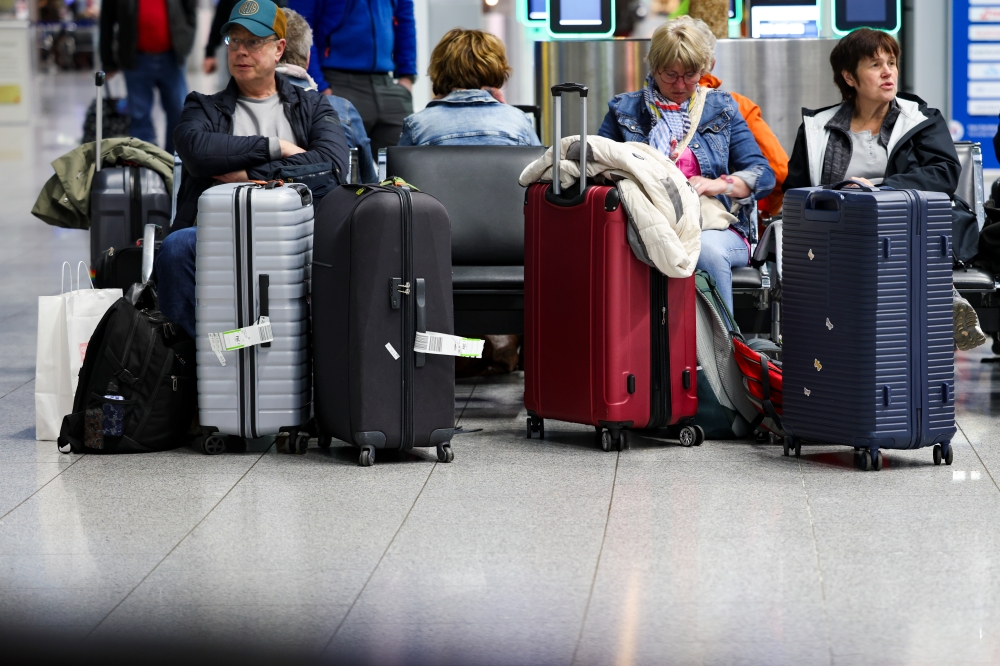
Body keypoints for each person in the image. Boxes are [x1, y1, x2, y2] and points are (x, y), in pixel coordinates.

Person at [156, 0, 349, 338]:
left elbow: (331, 166)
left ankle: (325, 361)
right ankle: (188, 364)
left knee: (349, 250)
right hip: (220, 233)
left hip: (298, 234)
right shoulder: (203, 106)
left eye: (254, 42)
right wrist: (276, 147)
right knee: (176, 248)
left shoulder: (313, 106)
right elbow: (198, 151)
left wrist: (246, 175)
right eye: (235, 41)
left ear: (279, 49)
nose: (241, 51)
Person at [783, 28, 984, 350]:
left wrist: (881, 191)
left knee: (892, 224)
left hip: (903, 223)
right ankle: (945, 299)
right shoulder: (817, 128)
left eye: (892, 62)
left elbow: (943, 174)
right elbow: (796, 190)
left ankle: (933, 310)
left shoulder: (920, 120)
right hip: (840, 227)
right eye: (875, 65)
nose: (888, 71)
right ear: (849, 77)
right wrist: (846, 195)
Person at [598, 16, 775, 312]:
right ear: (653, 67)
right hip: (644, 224)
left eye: (690, 75)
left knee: (704, 251)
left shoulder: (721, 107)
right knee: (624, 252)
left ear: (704, 69)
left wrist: (718, 184)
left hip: (713, 227)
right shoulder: (624, 110)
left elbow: (763, 174)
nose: (680, 85)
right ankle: (640, 354)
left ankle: (719, 354)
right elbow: (599, 169)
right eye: (670, 75)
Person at [687, 19, 788, 218]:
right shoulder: (738, 105)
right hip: (722, 223)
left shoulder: (633, 107)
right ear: (712, 63)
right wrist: (759, 214)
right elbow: (780, 172)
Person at [288, 0, 416, 153]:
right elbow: (301, 27)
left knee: (406, 167)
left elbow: (405, 20)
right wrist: (321, 87)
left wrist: (407, 77)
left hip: (388, 87)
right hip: (337, 84)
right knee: (345, 169)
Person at [278, 8, 378, 183]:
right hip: (333, 207)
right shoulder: (341, 109)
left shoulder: (233, 107)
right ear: (308, 58)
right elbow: (370, 184)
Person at [398, 28, 541, 147]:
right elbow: (541, 175)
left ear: (440, 68)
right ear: (496, 68)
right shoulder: (519, 121)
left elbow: (396, 179)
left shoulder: (417, 125)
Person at [99, 0, 197, 154]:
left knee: (178, 111)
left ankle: (174, 163)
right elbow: (106, 20)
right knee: (139, 115)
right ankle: (147, 164)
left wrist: (186, 40)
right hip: (136, 58)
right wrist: (108, 61)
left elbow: (190, 10)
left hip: (172, 56)